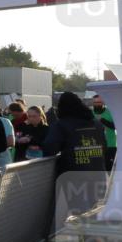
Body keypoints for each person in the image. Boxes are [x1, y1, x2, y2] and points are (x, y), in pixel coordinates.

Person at [44, 92, 107, 220]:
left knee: (81, 216)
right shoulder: (97, 124)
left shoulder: (61, 125)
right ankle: (97, 239)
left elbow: (49, 148)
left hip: (74, 177)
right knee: (95, 214)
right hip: (98, 174)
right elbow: (104, 147)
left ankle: (88, 239)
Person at [92, 94, 117, 172]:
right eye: (95, 102)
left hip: (110, 145)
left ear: (103, 102)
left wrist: (103, 120)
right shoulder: (90, 114)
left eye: (99, 102)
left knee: (110, 169)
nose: (97, 104)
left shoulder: (110, 112)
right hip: (96, 146)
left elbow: (115, 126)